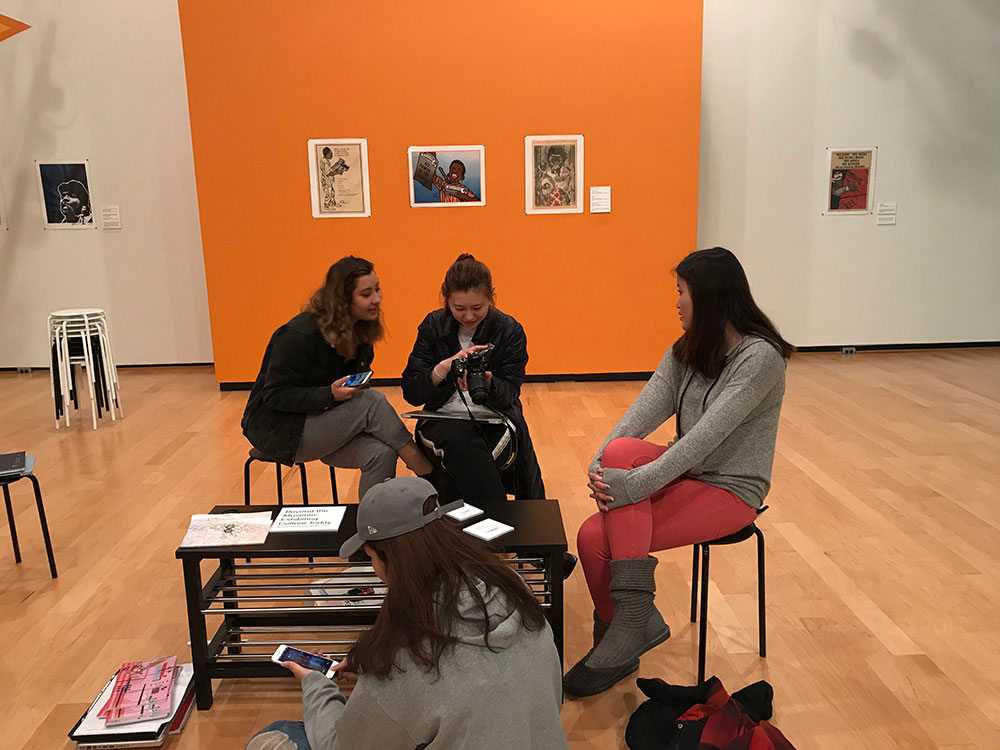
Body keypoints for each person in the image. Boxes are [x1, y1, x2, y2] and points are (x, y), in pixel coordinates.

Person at [563, 247, 794, 697]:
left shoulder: (759, 358)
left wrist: (634, 485)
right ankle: (626, 635)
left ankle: (630, 623)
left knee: (604, 522)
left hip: (731, 490)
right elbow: (641, 413)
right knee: (597, 523)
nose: (676, 302)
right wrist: (600, 464)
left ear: (706, 298)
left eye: (681, 292)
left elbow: (703, 440)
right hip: (688, 474)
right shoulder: (687, 350)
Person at [245, 477, 568, 750]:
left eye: (370, 557)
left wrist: (316, 683)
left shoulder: (406, 656)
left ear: (389, 559)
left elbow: (340, 745)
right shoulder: (515, 589)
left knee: (277, 735)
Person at [241, 256, 433, 500]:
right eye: (366, 294)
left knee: (381, 453)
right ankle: (430, 476)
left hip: (323, 421)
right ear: (342, 299)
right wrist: (328, 394)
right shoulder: (297, 335)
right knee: (371, 402)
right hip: (281, 430)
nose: (376, 298)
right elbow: (274, 395)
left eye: (377, 289)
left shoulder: (361, 330)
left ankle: (373, 531)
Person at [401, 253, 545, 510]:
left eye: (477, 308)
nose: (468, 316)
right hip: (440, 419)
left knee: (456, 464)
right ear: (446, 301)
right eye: (458, 308)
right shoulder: (433, 325)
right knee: (460, 440)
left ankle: (458, 538)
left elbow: (510, 393)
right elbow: (412, 392)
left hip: (494, 418)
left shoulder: (509, 330)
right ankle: (500, 530)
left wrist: (488, 384)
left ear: (492, 297)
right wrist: (442, 369)